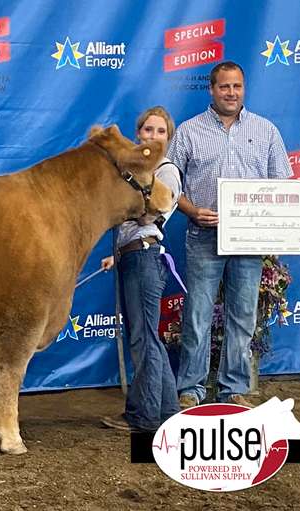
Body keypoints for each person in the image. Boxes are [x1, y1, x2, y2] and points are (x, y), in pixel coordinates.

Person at [168, 61, 293, 409]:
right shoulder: (189, 132)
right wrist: (191, 211)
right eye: (224, 87)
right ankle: (190, 389)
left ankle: (232, 389)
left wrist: (296, 230)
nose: (231, 93)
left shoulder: (266, 131)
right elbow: (167, 185)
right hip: (204, 236)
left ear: (244, 88)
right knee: (197, 315)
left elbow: (283, 186)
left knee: (242, 317)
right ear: (211, 90)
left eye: (237, 86)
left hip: (248, 241)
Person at [101, 106, 183, 432]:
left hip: (145, 256)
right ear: (138, 134)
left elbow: (152, 216)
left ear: (168, 137)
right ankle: (169, 411)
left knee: (143, 339)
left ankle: (144, 416)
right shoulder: (137, 172)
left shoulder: (165, 171)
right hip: (133, 255)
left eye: (160, 131)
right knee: (148, 337)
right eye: (147, 130)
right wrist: (117, 253)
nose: (152, 136)